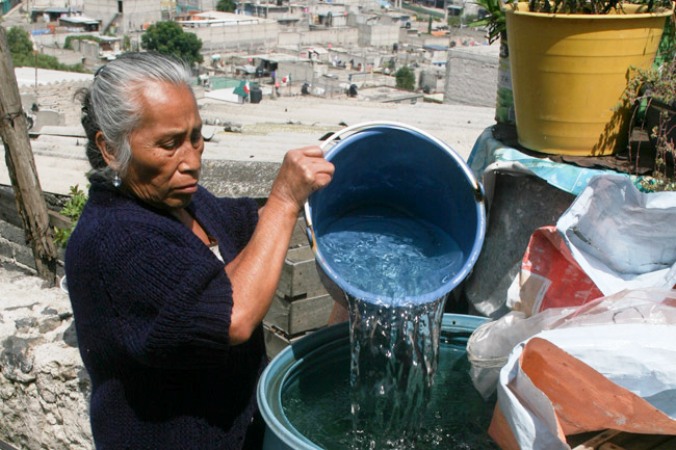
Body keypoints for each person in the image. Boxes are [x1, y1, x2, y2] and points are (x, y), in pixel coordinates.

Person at [64, 51, 334, 449]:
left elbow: (251, 224)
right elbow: (233, 317)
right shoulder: (113, 240)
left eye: (196, 137)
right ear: (109, 148)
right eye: (169, 144)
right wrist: (285, 199)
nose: (190, 160)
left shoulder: (184, 203)